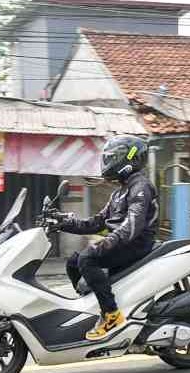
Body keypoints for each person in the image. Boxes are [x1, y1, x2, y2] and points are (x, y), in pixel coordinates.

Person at [60, 135, 159, 341]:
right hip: (123, 242)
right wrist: (63, 223)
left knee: (87, 258)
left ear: (130, 159)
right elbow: (97, 222)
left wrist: (107, 242)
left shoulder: (140, 186)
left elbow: (133, 225)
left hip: (136, 243)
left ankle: (111, 315)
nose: (108, 162)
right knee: (73, 262)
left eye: (114, 157)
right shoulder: (119, 193)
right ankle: (96, 306)